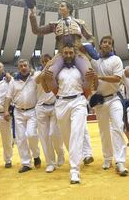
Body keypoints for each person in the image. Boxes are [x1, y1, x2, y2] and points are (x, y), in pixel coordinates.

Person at [44, 43, 97, 184]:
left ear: (74, 54)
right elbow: (46, 89)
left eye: (70, 53)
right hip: (61, 103)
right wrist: (46, 75)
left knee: (77, 134)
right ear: (62, 54)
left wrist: (93, 78)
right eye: (65, 53)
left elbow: (93, 86)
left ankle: (74, 170)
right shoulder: (56, 69)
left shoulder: (82, 67)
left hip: (79, 101)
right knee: (67, 138)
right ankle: (76, 156)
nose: (68, 55)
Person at [29, 1, 95, 91]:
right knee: (49, 74)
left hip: (78, 52)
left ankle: (84, 96)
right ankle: (59, 95)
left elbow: (90, 38)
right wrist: (33, 14)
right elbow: (36, 31)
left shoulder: (79, 22)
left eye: (62, 6)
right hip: (61, 53)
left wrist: (87, 47)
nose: (60, 8)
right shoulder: (54, 24)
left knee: (89, 74)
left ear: (69, 9)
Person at [90, 35, 128, 176]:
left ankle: (120, 161)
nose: (106, 44)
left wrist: (99, 77)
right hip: (100, 101)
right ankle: (107, 158)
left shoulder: (116, 59)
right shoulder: (94, 61)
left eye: (109, 43)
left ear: (112, 46)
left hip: (114, 98)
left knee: (118, 126)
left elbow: (117, 78)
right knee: (103, 131)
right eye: (104, 42)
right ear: (100, 46)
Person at [4, 59, 41, 173]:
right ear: (18, 68)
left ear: (29, 67)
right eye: (21, 66)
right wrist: (6, 110)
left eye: (25, 65)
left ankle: (36, 155)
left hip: (32, 110)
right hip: (18, 111)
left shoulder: (35, 78)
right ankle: (26, 163)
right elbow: (8, 97)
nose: (23, 67)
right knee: (20, 138)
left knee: (31, 134)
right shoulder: (13, 81)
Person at [35, 54, 65, 173]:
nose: (45, 62)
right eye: (43, 61)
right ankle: (50, 162)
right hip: (41, 107)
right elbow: (37, 81)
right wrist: (45, 68)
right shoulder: (38, 74)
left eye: (47, 60)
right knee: (44, 136)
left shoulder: (58, 73)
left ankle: (60, 152)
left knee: (54, 133)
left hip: (55, 106)